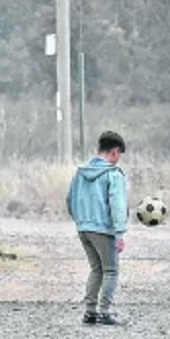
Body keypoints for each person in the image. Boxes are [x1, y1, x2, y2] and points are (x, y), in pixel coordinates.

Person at [66, 131, 128, 326]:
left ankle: (90, 311)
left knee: (96, 269)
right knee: (111, 270)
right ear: (115, 152)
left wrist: (80, 221)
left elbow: (69, 200)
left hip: (83, 228)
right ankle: (105, 311)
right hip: (103, 229)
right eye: (119, 155)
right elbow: (117, 205)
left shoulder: (80, 172)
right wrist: (119, 233)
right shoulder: (112, 174)